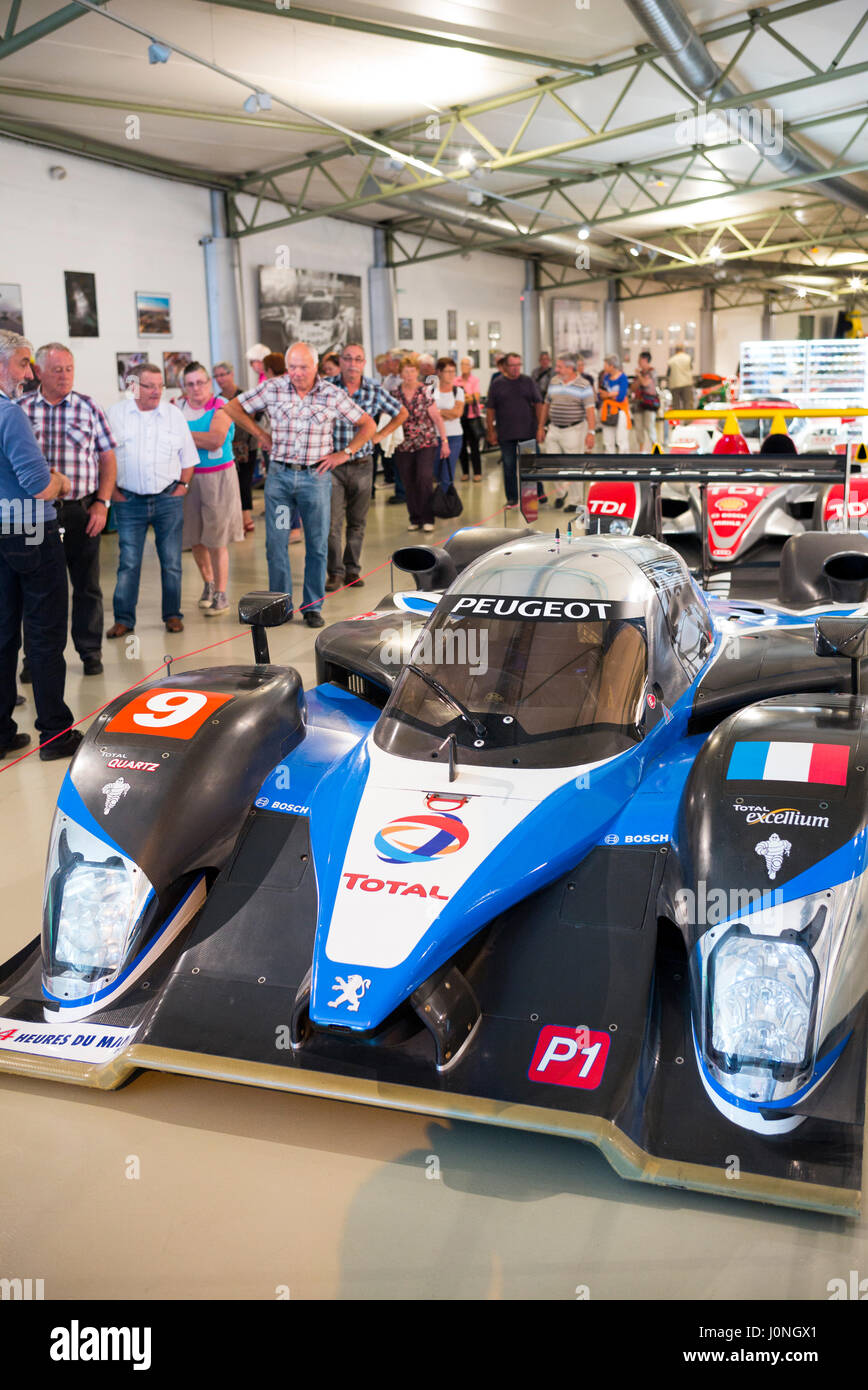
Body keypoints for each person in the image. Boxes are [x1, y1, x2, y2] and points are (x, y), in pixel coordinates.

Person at [222, 341, 376, 628]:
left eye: (303, 367)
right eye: (292, 367)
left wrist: (346, 453)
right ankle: (280, 605)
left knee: (317, 544)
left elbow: (368, 424)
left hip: (314, 481)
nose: (296, 372)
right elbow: (232, 407)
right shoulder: (273, 388)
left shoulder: (332, 394)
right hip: (280, 481)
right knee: (277, 544)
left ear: (315, 367)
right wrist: (259, 434)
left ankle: (312, 607)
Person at [0, 330, 82, 761]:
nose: (28, 373)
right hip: (29, 532)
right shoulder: (10, 414)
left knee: (2, 636)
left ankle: (0, 733)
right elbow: (38, 487)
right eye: (22, 363)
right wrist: (63, 481)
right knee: (45, 635)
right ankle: (54, 733)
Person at [18, 342, 116, 676]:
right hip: (33, 514)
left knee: (87, 585)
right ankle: (36, 659)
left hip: (81, 510)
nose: (64, 376)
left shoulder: (90, 407)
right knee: (37, 587)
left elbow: (107, 457)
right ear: (39, 371)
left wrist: (102, 503)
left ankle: (90, 652)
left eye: (69, 369)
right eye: (57, 369)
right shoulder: (20, 409)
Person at [105, 362, 198, 637]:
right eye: (149, 386)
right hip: (128, 500)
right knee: (129, 562)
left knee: (171, 561)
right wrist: (111, 492)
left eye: (160, 386)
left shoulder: (173, 415)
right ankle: (123, 619)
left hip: (168, 499)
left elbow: (188, 457)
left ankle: (172, 615)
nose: (156, 391)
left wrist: (182, 485)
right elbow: (102, 457)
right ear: (133, 386)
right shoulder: (115, 415)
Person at [324, 344, 406, 591]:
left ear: (364, 362)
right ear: (340, 361)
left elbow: (401, 413)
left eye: (357, 359)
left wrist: (380, 435)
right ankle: (335, 572)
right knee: (332, 523)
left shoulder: (373, 389)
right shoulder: (327, 387)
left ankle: (352, 569)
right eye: (347, 358)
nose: (352, 363)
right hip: (333, 465)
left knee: (357, 522)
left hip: (362, 464)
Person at [177, 362, 243, 617]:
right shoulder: (178, 408)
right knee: (195, 537)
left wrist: (181, 434)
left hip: (218, 478)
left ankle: (221, 593)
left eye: (201, 382)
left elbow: (215, 439)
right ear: (184, 386)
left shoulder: (222, 407)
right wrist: (192, 436)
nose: (196, 388)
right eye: (190, 383)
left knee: (216, 539)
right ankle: (208, 583)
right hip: (188, 477)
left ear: (209, 383)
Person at [393, 355, 449, 532]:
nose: (409, 375)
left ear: (417, 372)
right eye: (405, 371)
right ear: (401, 374)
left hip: (426, 441)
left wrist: (445, 441)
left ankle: (427, 518)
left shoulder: (426, 391)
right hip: (403, 443)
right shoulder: (395, 393)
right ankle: (415, 518)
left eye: (412, 371)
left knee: (424, 478)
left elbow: (437, 418)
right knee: (408, 481)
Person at [537, 353, 596, 513]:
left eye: (560, 366)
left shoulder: (583, 385)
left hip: (574, 429)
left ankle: (575, 501)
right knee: (552, 465)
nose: (556, 369)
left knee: (573, 466)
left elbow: (590, 411)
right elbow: (546, 404)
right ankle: (562, 494)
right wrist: (541, 426)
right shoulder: (554, 381)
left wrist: (591, 432)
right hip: (554, 428)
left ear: (570, 368)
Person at [485, 352, 544, 506]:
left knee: (532, 466)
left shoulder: (528, 382)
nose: (516, 369)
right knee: (509, 466)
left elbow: (538, 404)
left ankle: (538, 493)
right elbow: (490, 409)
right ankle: (512, 498)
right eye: (512, 365)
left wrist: (540, 427)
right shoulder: (497, 384)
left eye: (518, 365)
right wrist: (490, 431)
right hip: (506, 433)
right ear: (505, 366)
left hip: (528, 431)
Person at [213, 359, 257, 535]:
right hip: (227, 447)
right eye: (216, 376)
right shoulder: (217, 400)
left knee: (244, 482)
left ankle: (246, 517)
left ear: (231, 375)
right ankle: (236, 518)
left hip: (247, 445)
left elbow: (252, 420)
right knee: (230, 484)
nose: (220, 379)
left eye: (223, 375)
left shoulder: (243, 395)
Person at [434, 357, 465, 488]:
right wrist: (447, 412)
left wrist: (438, 412)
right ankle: (435, 501)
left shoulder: (458, 391)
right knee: (435, 472)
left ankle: (444, 504)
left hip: (454, 436)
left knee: (447, 473)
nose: (451, 375)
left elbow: (457, 413)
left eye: (453, 371)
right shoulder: (431, 391)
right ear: (439, 372)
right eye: (448, 371)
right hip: (434, 436)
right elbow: (427, 413)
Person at [599, 353, 632, 454]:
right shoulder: (606, 378)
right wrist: (612, 394)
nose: (604, 367)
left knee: (622, 440)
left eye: (605, 365)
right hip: (608, 411)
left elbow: (621, 397)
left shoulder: (623, 378)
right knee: (608, 440)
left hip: (621, 411)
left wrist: (608, 395)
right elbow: (601, 394)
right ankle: (609, 465)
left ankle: (624, 464)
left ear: (611, 366)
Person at [457, 357, 482, 481]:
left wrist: (465, 396)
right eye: (462, 364)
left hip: (472, 417)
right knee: (461, 447)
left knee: (474, 446)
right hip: (460, 417)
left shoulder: (474, 380)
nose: (463, 366)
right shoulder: (456, 380)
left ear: (471, 366)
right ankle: (465, 472)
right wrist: (467, 396)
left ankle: (478, 472)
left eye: (466, 364)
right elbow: (455, 398)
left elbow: (475, 398)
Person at [631, 350, 660, 453]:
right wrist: (639, 376)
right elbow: (633, 388)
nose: (638, 362)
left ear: (645, 360)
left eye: (640, 359)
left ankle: (655, 447)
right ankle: (642, 450)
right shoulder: (640, 374)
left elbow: (645, 383)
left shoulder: (652, 371)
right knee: (638, 427)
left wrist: (639, 375)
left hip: (649, 404)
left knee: (649, 425)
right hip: (638, 404)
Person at [667, 343, 695, 410]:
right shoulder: (688, 358)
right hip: (686, 383)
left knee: (676, 404)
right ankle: (687, 420)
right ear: (683, 349)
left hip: (675, 384)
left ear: (675, 350)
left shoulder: (671, 360)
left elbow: (668, 373)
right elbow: (691, 368)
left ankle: (677, 420)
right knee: (688, 403)